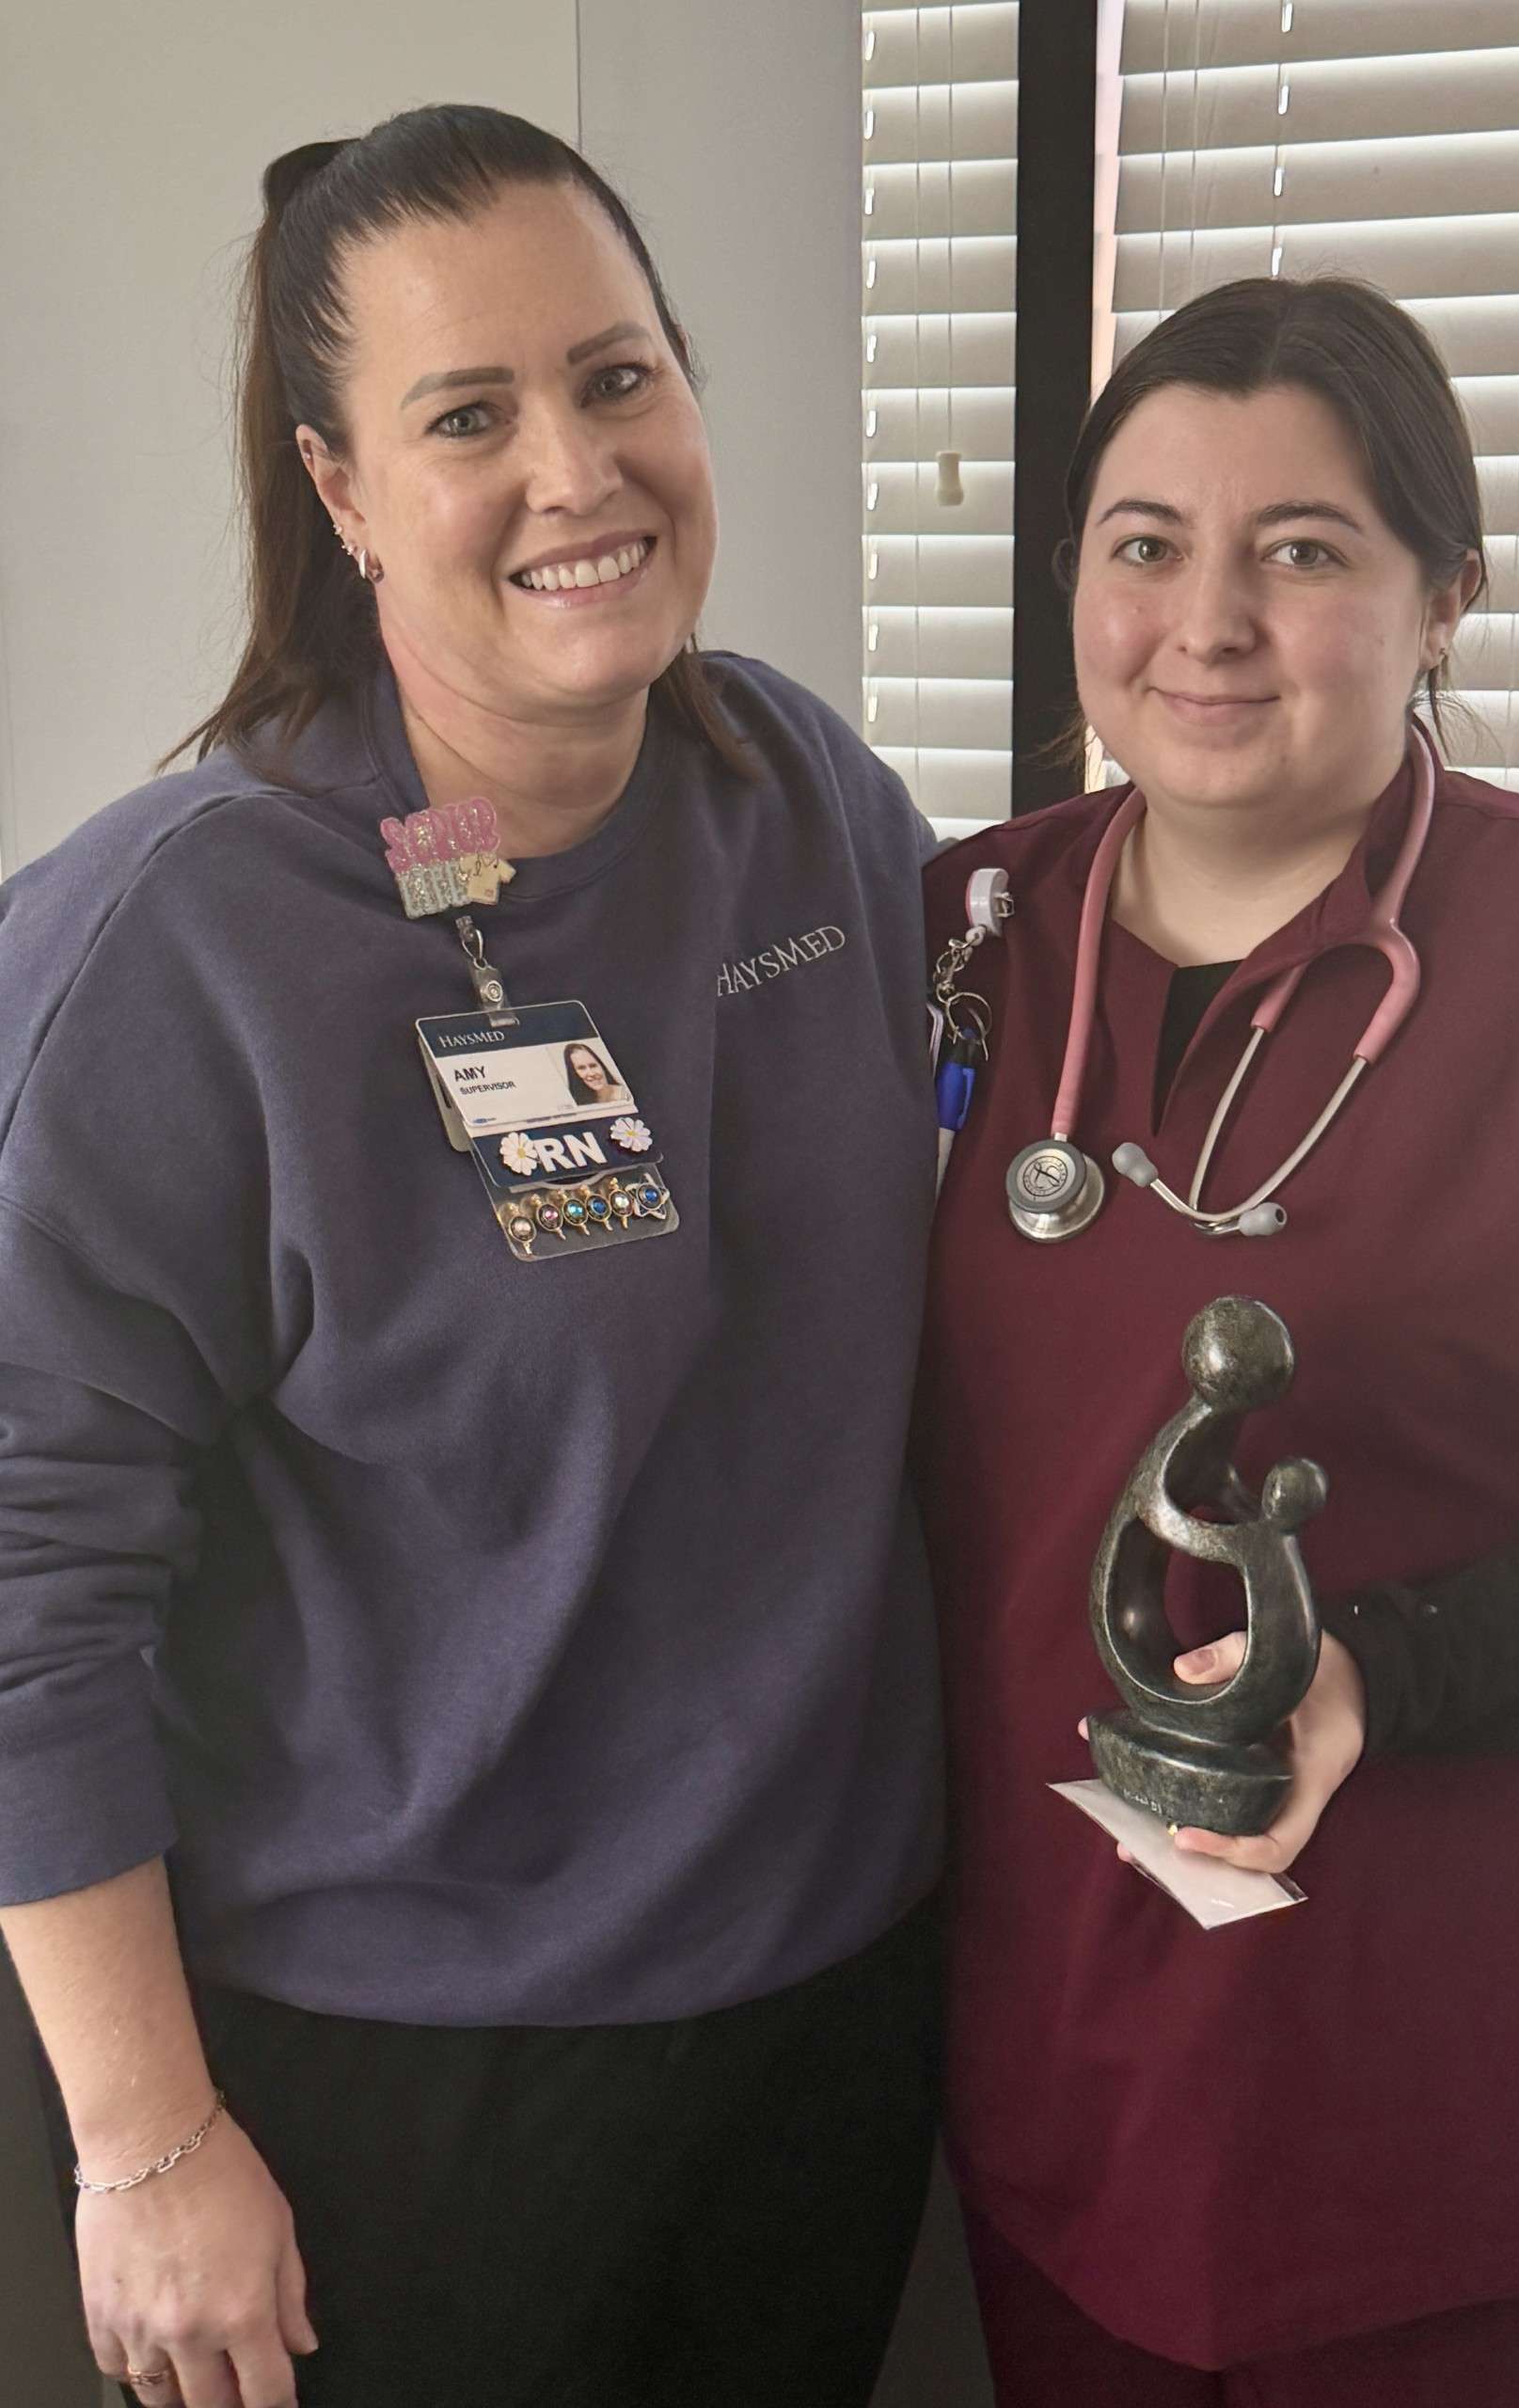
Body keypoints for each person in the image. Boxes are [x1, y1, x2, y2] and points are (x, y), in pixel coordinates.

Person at [0, 107, 941, 2408]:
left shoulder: (805, 800)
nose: (575, 467)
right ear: (339, 492)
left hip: (827, 1996)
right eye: (467, 415)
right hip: (389, 2071)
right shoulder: (180, 938)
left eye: (619, 377)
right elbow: (22, 1573)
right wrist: (143, 2142)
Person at [914, 277, 1519, 2407]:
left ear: (1444, 596)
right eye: (1143, 545)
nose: (1204, 620)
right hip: (1079, 2081)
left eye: (1298, 551)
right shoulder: (965, 940)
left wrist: (1381, 1674)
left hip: (1475, 2136)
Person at [565, 1038, 631, 1107]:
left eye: (593, 1066)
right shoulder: (575, 1103)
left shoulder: (627, 1094)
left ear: (602, 1067)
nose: (591, 1073)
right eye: (582, 1068)